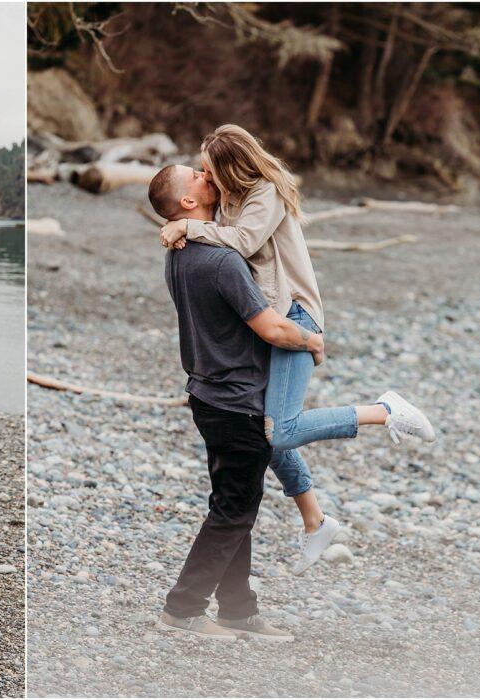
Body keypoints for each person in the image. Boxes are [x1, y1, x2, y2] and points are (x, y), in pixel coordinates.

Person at [155, 127, 435, 574]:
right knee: (265, 427)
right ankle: (315, 521)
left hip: (295, 315)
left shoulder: (265, 193)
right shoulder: (229, 200)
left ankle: (383, 410)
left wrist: (187, 225)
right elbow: (224, 245)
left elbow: (242, 243)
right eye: (200, 172)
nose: (205, 175)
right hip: (271, 314)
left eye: (208, 168)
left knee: (280, 432)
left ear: (230, 167)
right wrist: (185, 227)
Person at [155, 166, 322, 640]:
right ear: (189, 203)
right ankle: (182, 610)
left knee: (234, 504)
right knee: (234, 509)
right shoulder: (222, 260)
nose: (206, 175)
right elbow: (270, 327)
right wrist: (311, 341)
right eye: (197, 175)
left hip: (209, 395)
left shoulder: (179, 252)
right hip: (238, 399)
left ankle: (237, 609)